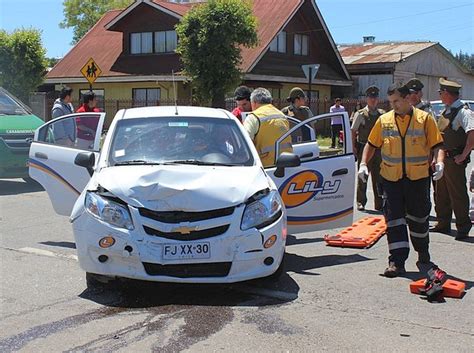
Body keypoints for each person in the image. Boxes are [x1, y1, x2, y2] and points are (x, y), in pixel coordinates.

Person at [359, 82, 444, 277]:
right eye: (390, 102)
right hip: (391, 180)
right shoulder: (384, 120)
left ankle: (423, 255)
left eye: (396, 101)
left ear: (407, 98)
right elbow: (371, 145)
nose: (393, 105)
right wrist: (363, 164)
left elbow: (438, 145)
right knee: (394, 221)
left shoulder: (425, 119)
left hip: (417, 179)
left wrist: (440, 163)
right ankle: (396, 262)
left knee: (419, 220)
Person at [431, 78, 473, 240]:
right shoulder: (447, 111)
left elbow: (472, 134)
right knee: (441, 193)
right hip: (443, 159)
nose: (440, 95)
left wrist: (463, 155)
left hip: (454, 160)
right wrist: (436, 158)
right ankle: (443, 223)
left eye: (441, 93)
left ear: (448, 94)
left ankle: (463, 226)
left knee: (458, 194)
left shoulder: (463, 112)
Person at [351, 86, 385, 211]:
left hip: (379, 150)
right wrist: (353, 146)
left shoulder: (382, 114)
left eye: (375, 97)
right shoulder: (360, 114)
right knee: (363, 176)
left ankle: (379, 203)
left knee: (379, 177)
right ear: (367, 99)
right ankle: (361, 202)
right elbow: (353, 131)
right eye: (371, 97)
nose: (373, 100)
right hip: (364, 148)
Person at [243, 87, 292, 167]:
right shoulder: (282, 115)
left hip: (265, 168)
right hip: (287, 165)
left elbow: (245, 144)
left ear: (254, 103)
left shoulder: (253, 117)